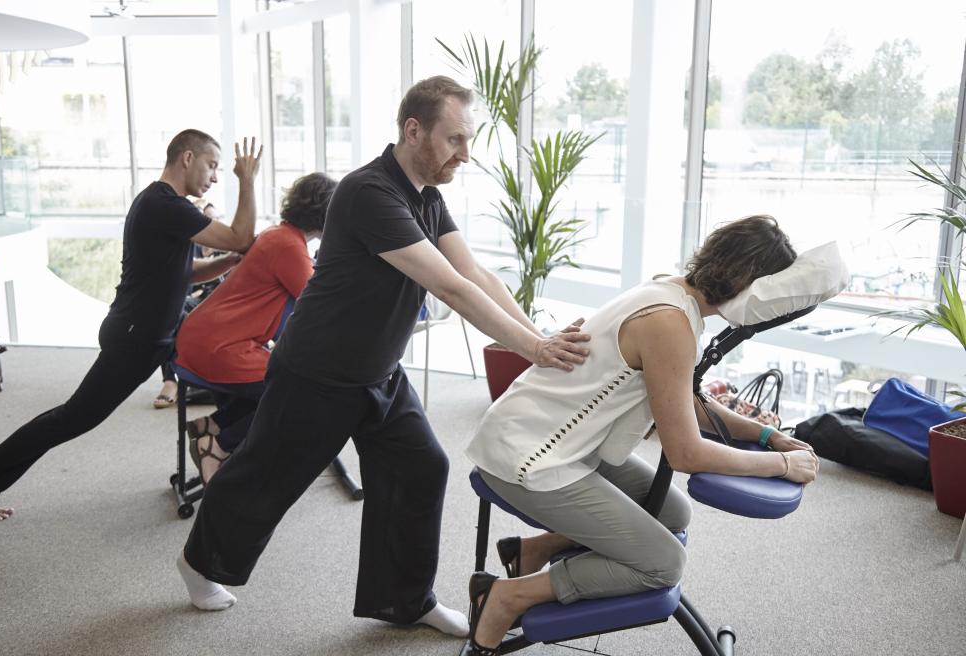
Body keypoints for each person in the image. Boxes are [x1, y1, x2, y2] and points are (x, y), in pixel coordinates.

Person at [174, 76, 591, 642]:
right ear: (413, 130)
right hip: (317, 372)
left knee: (422, 468)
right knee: (265, 480)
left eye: (468, 140)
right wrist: (535, 350)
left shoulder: (427, 196)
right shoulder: (369, 192)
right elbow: (451, 289)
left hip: (378, 372)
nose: (465, 154)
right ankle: (200, 564)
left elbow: (478, 274)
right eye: (455, 140)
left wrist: (535, 335)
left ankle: (404, 599)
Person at [458, 215, 822, 655]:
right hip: (529, 459)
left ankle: (532, 551)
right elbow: (685, 453)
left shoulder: (669, 292)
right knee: (664, 563)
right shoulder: (669, 322)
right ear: (751, 284)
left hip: (566, 443)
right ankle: (503, 596)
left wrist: (766, 436)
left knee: (671, 512)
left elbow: (683, 398)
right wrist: (781, 464)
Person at [0, 129, 263, 524]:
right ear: (186, 158)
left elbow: (184, 273)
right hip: (136, 335)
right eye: (212, 165)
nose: (215, 177)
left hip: (157, 330)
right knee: (73, 418)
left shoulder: (166, 205)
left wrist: (229, 263)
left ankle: (216, 440)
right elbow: (241, 237)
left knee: (237, 374)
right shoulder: (165, 205)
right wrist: (247, 181)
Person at [174, 172, 338, 484]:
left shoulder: (278, 234)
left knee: (285, 384)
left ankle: (214, 425)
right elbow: (318, 302)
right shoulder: (289, 246)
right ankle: (218, 445)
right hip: (219, 347)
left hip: (205, 338)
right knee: (303, 395)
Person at [153, 199, 227, 410]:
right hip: (193, 302)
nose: (213, 225)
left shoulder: (228, 251)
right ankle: (170, 380)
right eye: (207, 221)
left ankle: (199, 378)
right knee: (172, 309)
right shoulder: (188, 249)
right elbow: (180, 288)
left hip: (219, 304)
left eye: (216, 220)